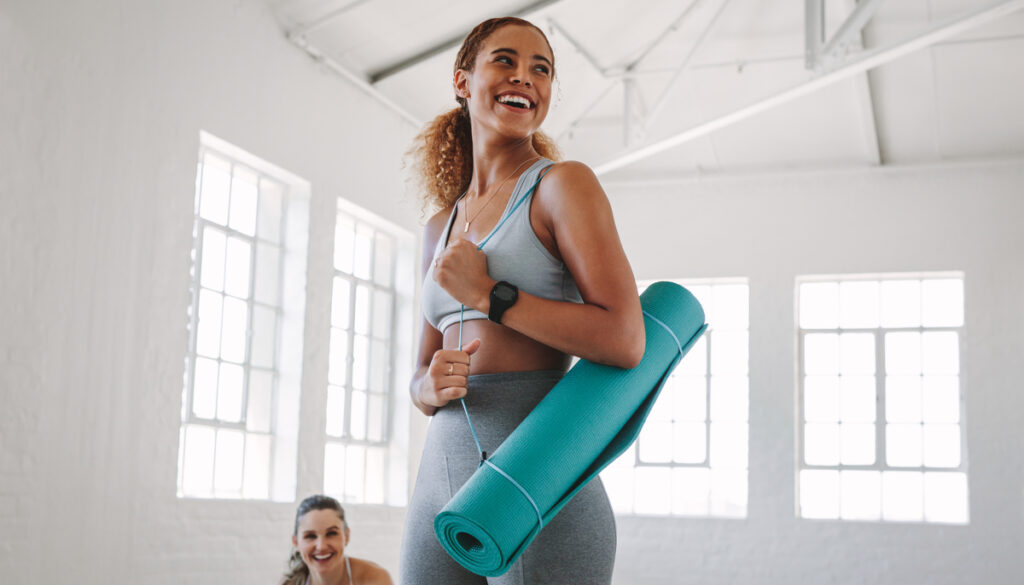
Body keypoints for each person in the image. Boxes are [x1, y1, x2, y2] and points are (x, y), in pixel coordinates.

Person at [399, 16, 645, 585]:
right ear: (463, 81)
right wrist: (426, 384)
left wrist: (490, 295)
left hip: (535, 470)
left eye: (542, 69)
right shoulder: (439, 227)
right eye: (505, 61)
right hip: (441, 465)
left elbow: (625, 339)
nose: (525, 78)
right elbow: (419, 375)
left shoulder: (562, 186)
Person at [282, 494, 393, 585]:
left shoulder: (376, 579)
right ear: (295, 542)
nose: (321, 546)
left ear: (346, 536)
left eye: (331, 533)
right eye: (310, 536)